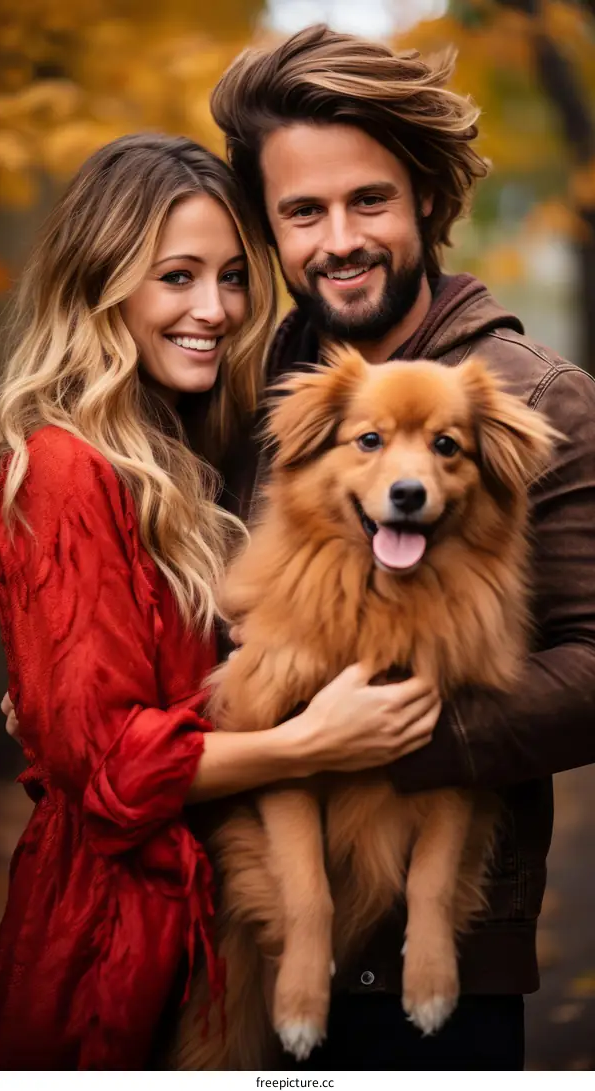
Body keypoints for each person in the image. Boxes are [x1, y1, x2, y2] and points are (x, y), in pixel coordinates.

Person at [0, 133, 441, 1071]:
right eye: (177, 276)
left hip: (216, 922)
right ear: (101, 281)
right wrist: (310, 740)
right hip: (118, 939)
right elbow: (112, 776)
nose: (215, 309)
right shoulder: (66, 469)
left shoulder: (187, 450)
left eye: (234, 276)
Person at [208, 24, 595, 1071]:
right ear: (272, 230)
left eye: (368, 200)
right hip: (236, 930)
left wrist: (382, 732)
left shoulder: (540, 396)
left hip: (442, 965)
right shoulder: (240, 392)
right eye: (303, 211)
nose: (339, 237)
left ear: (426, 196)